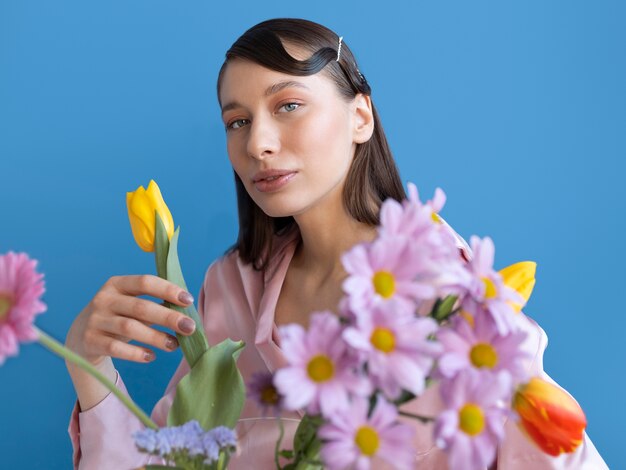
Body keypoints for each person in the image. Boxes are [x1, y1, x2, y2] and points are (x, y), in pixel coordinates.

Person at [65, 18, 607, 469]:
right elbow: (172, 459)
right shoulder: (227, 287)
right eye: (237, 121)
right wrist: (87, 367)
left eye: (289, 105)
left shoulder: (457, 300)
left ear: (360, 116)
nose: (258, 143)